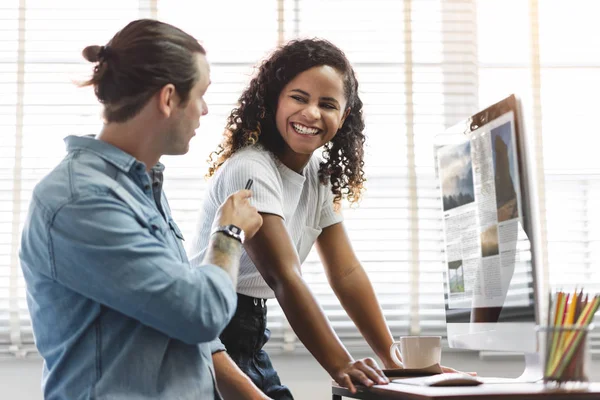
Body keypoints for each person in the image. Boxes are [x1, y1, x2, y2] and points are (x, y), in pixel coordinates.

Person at [19, 19, 262, 400]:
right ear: (168, 98)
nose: (205, 110)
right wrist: (229, 233)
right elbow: (200, 313)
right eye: (200, 94)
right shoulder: (81, 200)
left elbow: (183, 324)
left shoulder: (142, 185)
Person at [189, 38, 396, 399]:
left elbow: (346, 273)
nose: (312, 113)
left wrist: (393, 357)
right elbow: (283, 276)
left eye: (327, 104)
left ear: (343, 116)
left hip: (250, 331)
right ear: (274, 101)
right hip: (211, 331)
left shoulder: (318, 176)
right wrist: (340, 364)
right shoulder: (252, 167)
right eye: (299, 98)